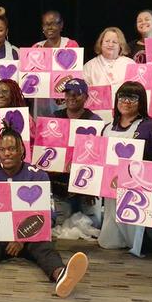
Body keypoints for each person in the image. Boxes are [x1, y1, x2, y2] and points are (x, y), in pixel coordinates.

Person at [0, 121, 89, 298]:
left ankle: (62, 276)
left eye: (12, 149)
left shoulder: (37, 176)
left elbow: (48, 217)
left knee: (45, 246)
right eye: (2, 149)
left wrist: (21, 239)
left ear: (22, 150)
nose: (7, 153)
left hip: (29, 237)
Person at [98, 81, 152, 254]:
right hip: (112, 185)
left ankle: (139, 243)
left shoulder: (151, 126)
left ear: (142, 101)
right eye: (122, 97)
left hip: (139, 185)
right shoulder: (107, 127)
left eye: (132, 98)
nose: (126, 101)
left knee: (135, 224)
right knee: (112, 217)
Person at [50, 79, 103, 227]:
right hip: (60, 186)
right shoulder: (55, 118)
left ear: (86, 97)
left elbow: (98, 158)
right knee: (62, 227)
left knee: (93, 227)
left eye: (76, 93)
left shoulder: (95, 121)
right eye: (68, 93)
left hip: (87, 188)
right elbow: (48, 151)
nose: (71, 97)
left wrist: (91, 188)